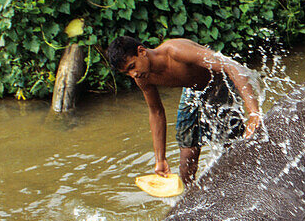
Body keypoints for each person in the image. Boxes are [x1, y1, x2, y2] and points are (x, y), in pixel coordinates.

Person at [106, 36, 262, 184]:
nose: (133, 74)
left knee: (229, 147)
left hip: (218, 83)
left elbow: (231, 67)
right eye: (127, 73)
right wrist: (160, 159)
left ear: (141, 51)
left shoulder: (176, 51)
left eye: (132, 66)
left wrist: (253, 113)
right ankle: (190, 199)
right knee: (186, 162)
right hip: (192, 91)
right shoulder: (142, 78)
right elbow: (156, 112)